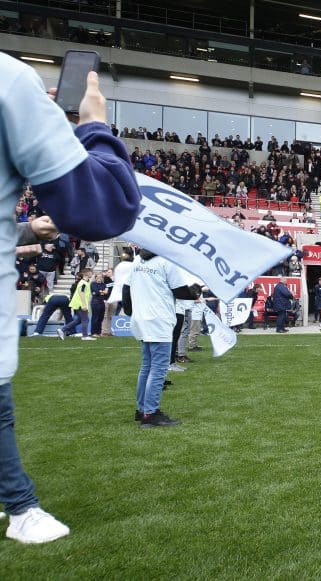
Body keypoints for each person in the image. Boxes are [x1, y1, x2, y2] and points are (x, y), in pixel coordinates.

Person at [0, 54, 141, 544]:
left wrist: (20, 228)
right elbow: (106, 204)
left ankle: (19, 504)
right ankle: (20, 508)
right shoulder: (11, 80)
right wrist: (95, 123)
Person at [122, 249, 202, 427]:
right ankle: (151, 413)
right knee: (158, 369)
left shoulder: (137, 261)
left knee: (147, 366)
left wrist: (129, 311)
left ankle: (142, 409)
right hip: (159, 320)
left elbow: (126, 288)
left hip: (142, 318)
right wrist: (196, 291)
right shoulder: (166, 261)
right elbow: (181, 292)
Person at [58, 268, 95, 340]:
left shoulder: (85, 282)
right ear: (86, 273)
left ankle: (62, 330)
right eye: (91, 272)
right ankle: (85, 336)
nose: (92, 274)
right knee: (85, 320)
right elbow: (81, 293)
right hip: (80, 304)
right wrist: (84, 304)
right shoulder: (83, 283)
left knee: (79, 320)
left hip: (79, 303)